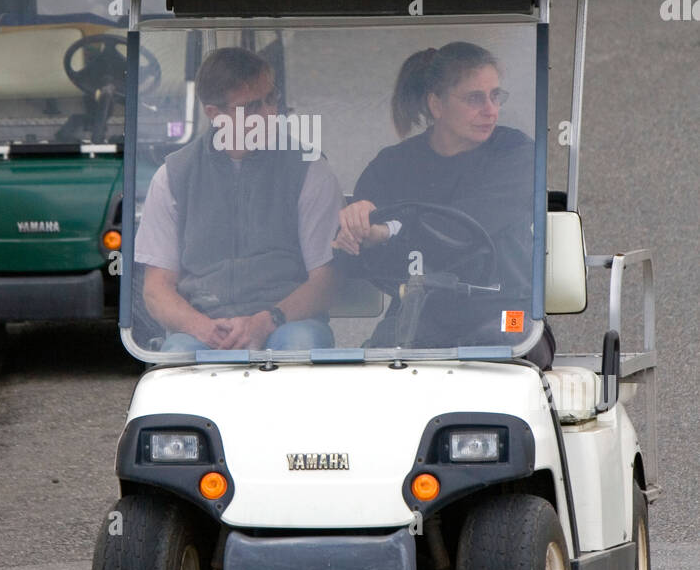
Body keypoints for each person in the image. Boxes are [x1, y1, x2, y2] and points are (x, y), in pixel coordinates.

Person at [333, 41, 549, 360]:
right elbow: (350, 264)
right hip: (419, 315)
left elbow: (460, 230)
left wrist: (388, 230)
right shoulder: (391, 166)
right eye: (475, 98)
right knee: (372, 368)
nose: (490, 110)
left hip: (506, 311)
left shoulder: (516, 154)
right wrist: (356, 232)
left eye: (495, 96)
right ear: (436, 105)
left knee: (495, 357)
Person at [135, 46, 342, 351]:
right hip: (204, 326)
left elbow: (325, 281)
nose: (269, 114)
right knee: (178, 357)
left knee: (300, 345)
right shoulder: (173, 176)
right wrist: (202, 328)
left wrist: (267, 320)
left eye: (271, 99)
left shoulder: (309, 169)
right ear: (214, 114)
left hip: (286, 322)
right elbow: (156, 288)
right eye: (252, 107)